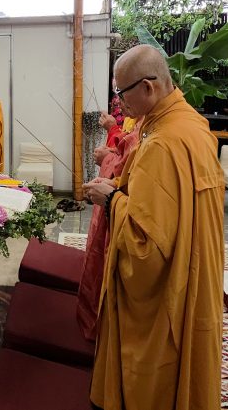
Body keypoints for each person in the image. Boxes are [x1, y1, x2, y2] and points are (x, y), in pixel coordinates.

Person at [82, 45, 224, 410]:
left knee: (158, 359)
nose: (119, 102)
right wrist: (120, 186)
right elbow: (169, 202)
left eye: (122, 93)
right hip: (196, 265)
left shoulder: (162, 142)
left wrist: (110, 201)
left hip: (170, 281)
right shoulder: (190, 123)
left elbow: (145, 245)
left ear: (148, 87)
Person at [78, 108, 140, 341]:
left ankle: (106, 326)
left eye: (122, 93)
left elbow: (128, 167)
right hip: (114, 201)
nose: (122, 102)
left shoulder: (159, 129)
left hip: (125, 216)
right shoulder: (141, 119)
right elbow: (123, 152)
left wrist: (107, 158)